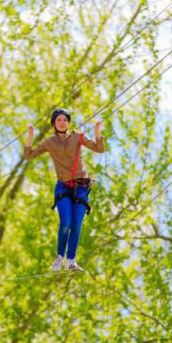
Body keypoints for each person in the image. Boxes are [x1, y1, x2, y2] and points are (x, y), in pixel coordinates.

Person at [24, 109, 104, 272]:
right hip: (64, 187)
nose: (62, 122)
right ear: (54, 123)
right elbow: (29, 155)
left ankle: (71, 260)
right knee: (66, 223)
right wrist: (30, 136)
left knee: (76, 225)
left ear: (68, 122)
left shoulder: (77, 136)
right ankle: (60, 256)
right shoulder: (49, 142)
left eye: (65, 120)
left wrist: (97, 132)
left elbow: (99, 148)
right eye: (59, 120)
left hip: (82, 187)